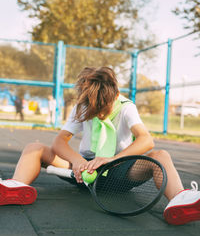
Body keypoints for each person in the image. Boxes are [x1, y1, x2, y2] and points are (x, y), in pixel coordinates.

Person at [0, 66, 199, 226]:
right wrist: (77, 161)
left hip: (121, 169)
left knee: (160, 155)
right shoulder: (84, 106)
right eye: (96, 111)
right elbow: (59, 141)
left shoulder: (126, 106)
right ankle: (15, 187)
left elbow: (146, 140)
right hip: (84, 171)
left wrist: (111, 160)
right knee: (34, 148)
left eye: (104, 110)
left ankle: (180, 200)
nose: (100, 115)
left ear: (116, 94)